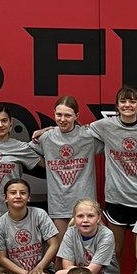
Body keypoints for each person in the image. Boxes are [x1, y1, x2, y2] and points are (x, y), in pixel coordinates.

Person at [87, 85, 137, 262]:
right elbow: (76, 131)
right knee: (114, 251)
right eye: (123, 101)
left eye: (132, 101)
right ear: (117, 105)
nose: (127, 105)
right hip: (116, 198)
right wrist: (47, 131)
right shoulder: (105, 126)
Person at [28, 95, 99, 234]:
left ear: (76, 116)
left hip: (85, 204)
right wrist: (46, 163)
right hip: (59, 204)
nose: (62, 119)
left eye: (68, 115)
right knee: (61, 246)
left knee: (86, 245)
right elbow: (26, 152)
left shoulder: (88, 136)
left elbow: (113, 144)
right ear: (54, 113)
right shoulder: (46, 137)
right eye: (59, 115)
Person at [0, 103, 41, 223]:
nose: (0, 125)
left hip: (12, 214)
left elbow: (51, 165)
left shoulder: (21, 147)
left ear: (11, 122)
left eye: (4, 121)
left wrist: (48, 130)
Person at [55, 198, 120, 274]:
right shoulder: (71, 232)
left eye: (90, 216)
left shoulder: (106, 235)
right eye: (80, 216)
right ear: (74, 218)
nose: (85, 220)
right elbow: (67, 267)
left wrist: (59, 273)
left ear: (98, 218)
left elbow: (91, 271)